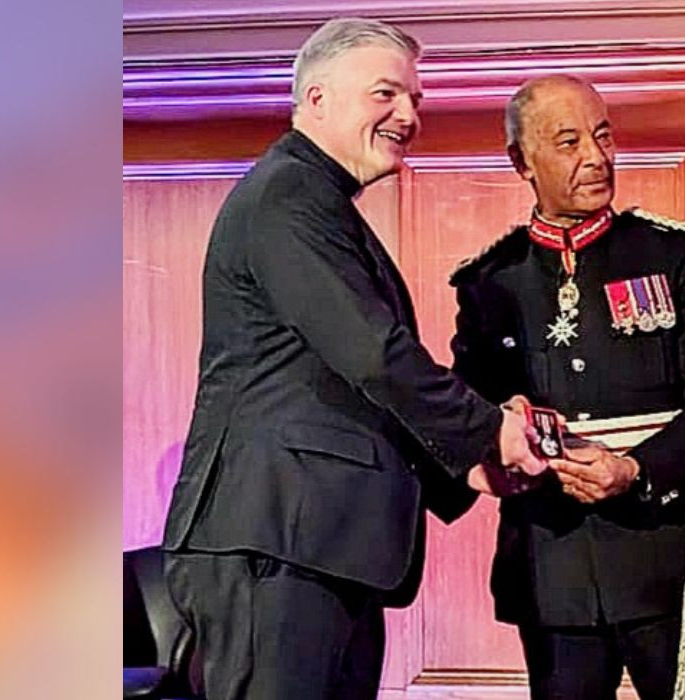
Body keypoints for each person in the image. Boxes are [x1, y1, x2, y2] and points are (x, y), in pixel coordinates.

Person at [160, 19, 546, 700]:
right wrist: (490, 431)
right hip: (276, 543)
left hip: (317, 545)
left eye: (416, 100)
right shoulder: (287, 196)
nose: (408, 114)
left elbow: (348, 381)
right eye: (386, 94)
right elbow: (373, 355)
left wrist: (465, 470)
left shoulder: (320, 205)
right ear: (316, 100)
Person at [449, 75, 685, 700]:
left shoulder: (670, 255)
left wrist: (635, 470)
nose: (596, 156)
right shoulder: (488, 282)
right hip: (550, 570)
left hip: (665, 560)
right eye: (568, 142)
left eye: (604, 134)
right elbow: (468, 415)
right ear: (521, 163)